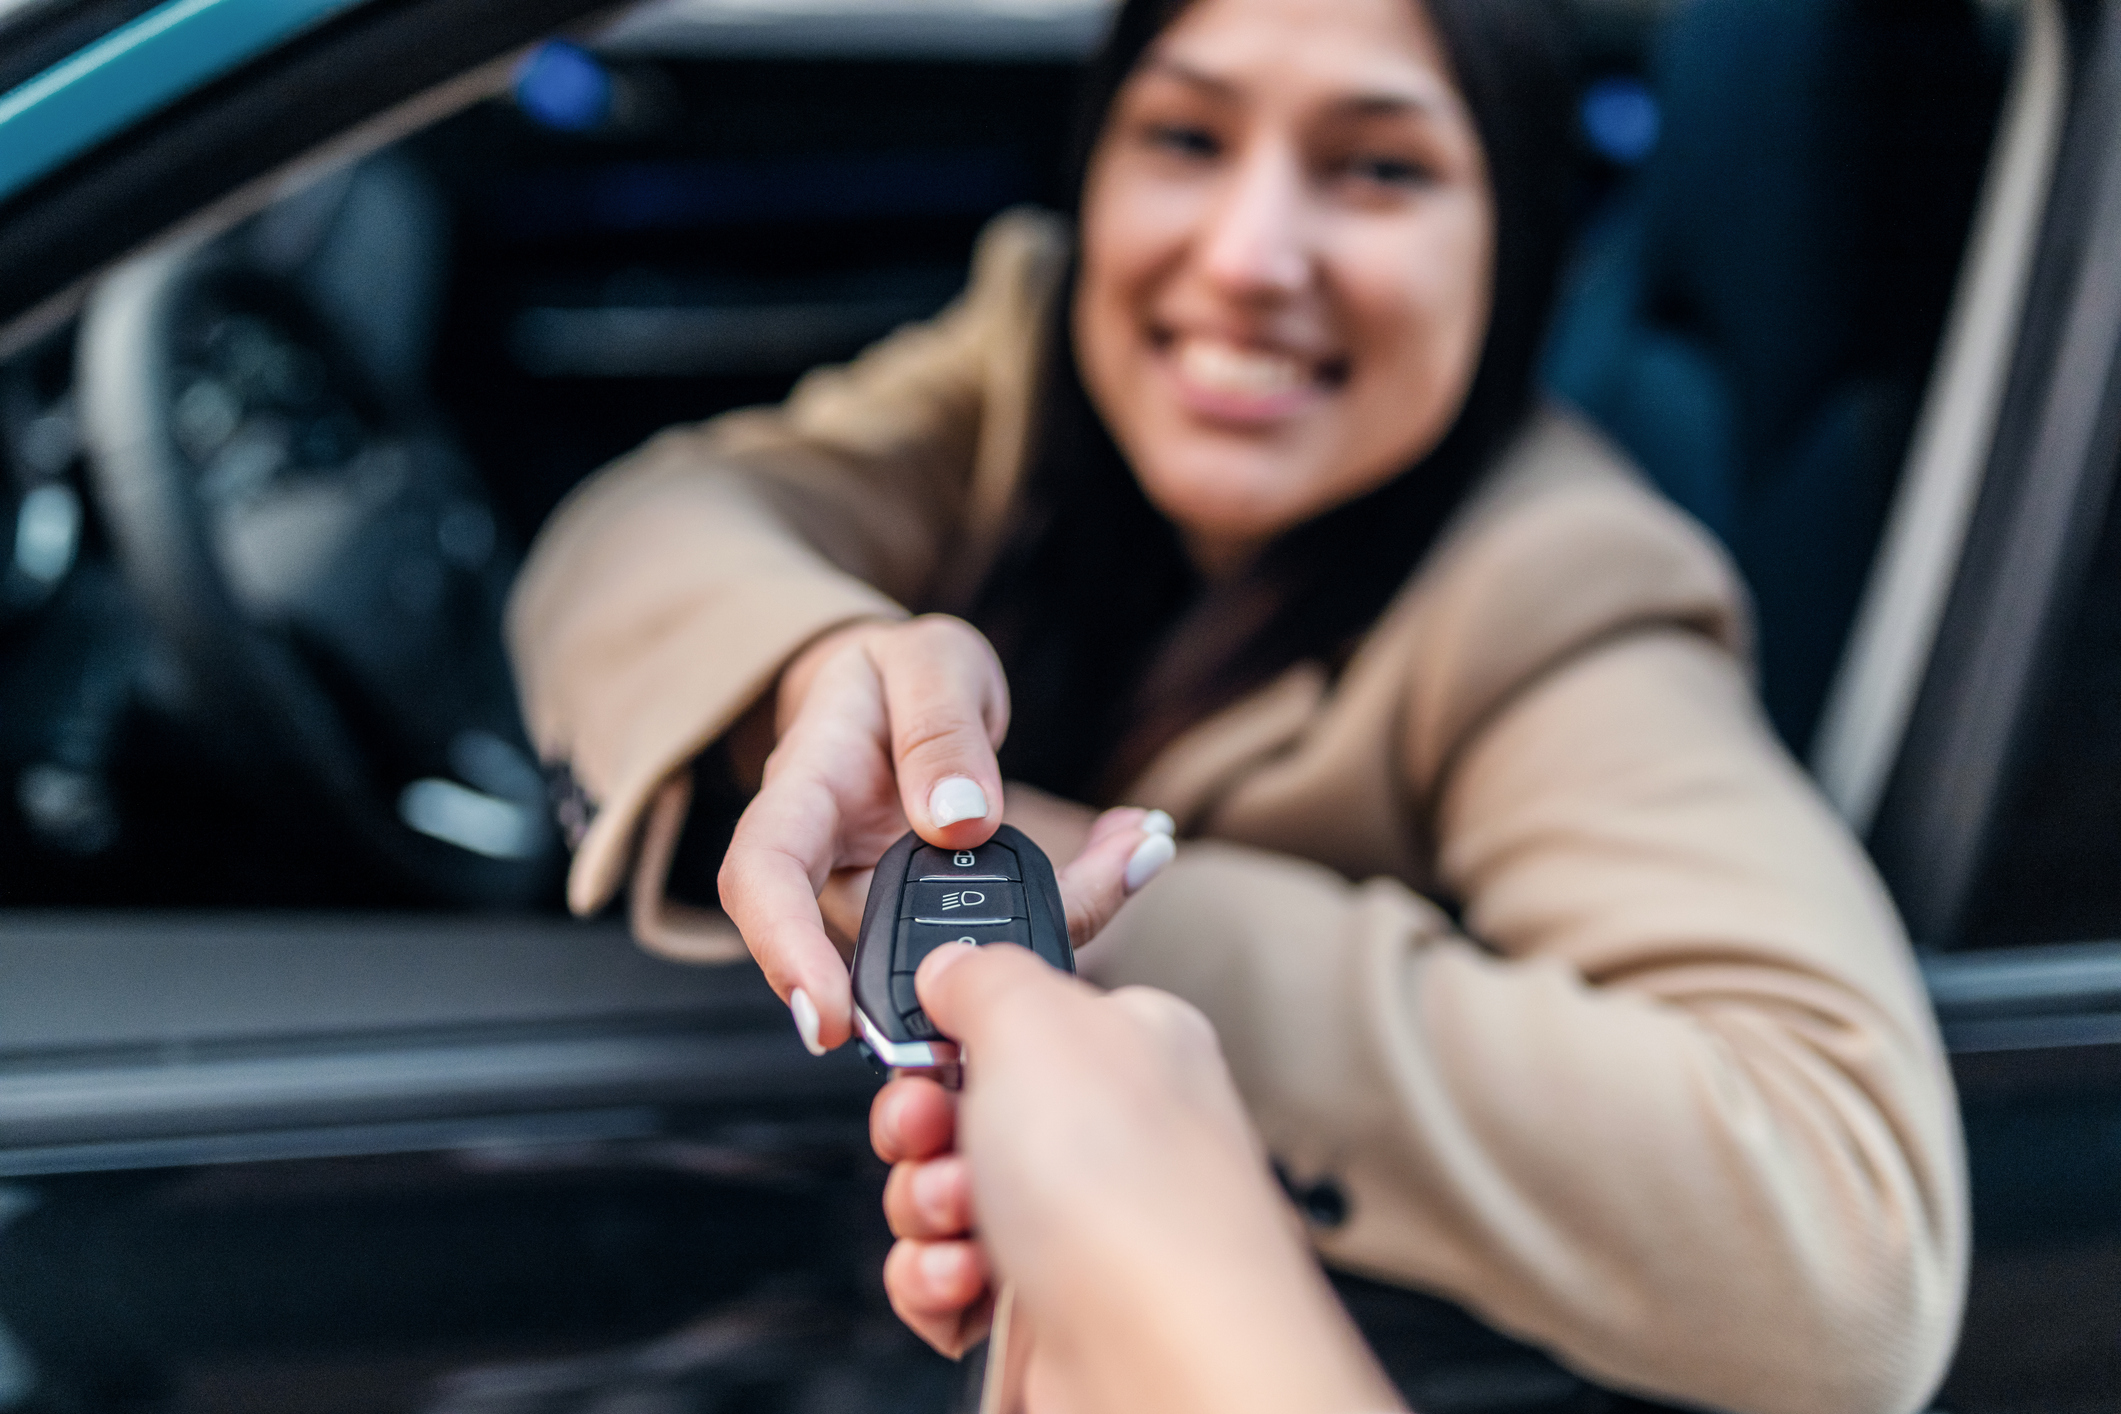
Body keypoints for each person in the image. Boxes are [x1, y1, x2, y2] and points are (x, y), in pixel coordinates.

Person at [506, 0, 1969, 1408]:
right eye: (1185, 140)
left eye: (1379, 168)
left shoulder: (1563, 584)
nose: (1248, 255)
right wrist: (814, 677)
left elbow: (1849, 1247)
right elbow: (657, 518)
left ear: (1513, 234)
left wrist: (1041, 904)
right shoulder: (1030, 353)